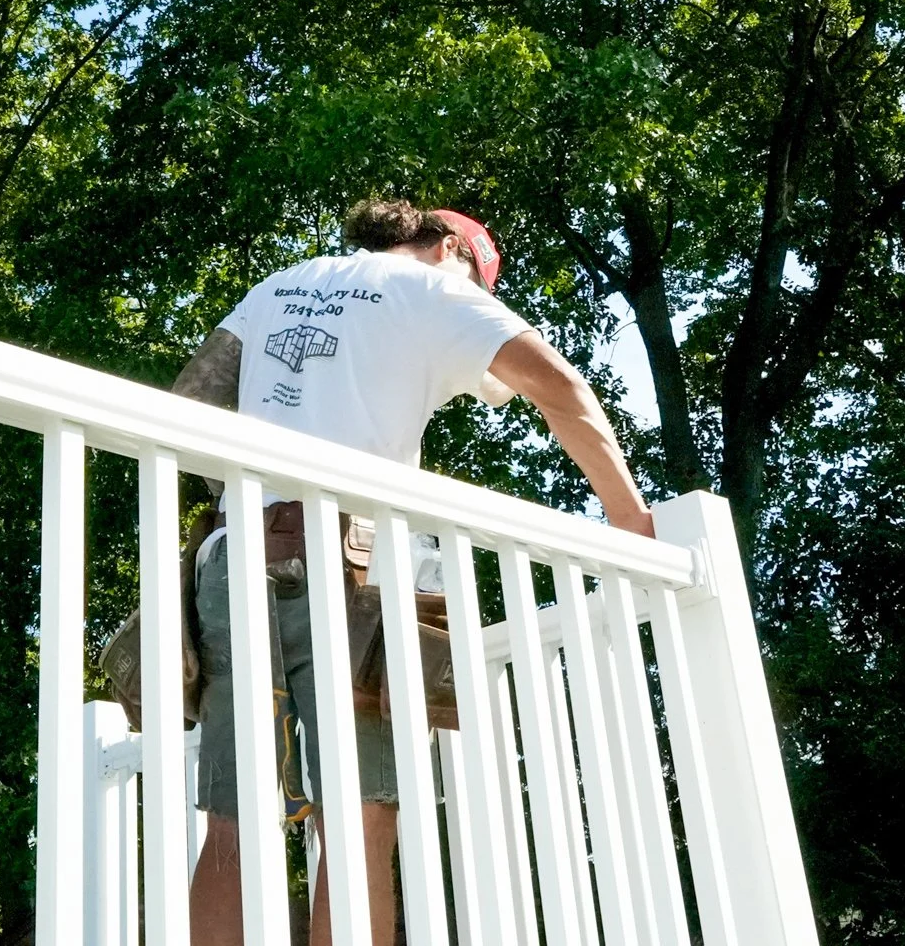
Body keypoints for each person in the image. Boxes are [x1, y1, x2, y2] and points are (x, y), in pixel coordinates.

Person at [172, 199, 653, 946]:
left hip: (232, 563)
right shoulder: (437, 290)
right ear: (451, 251)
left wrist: (255, 506)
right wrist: (632, 523)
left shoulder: (280, 285)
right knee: (360, 819)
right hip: (350, 570)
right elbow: (562, 389)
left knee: (235, 825)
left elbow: (190, 403)